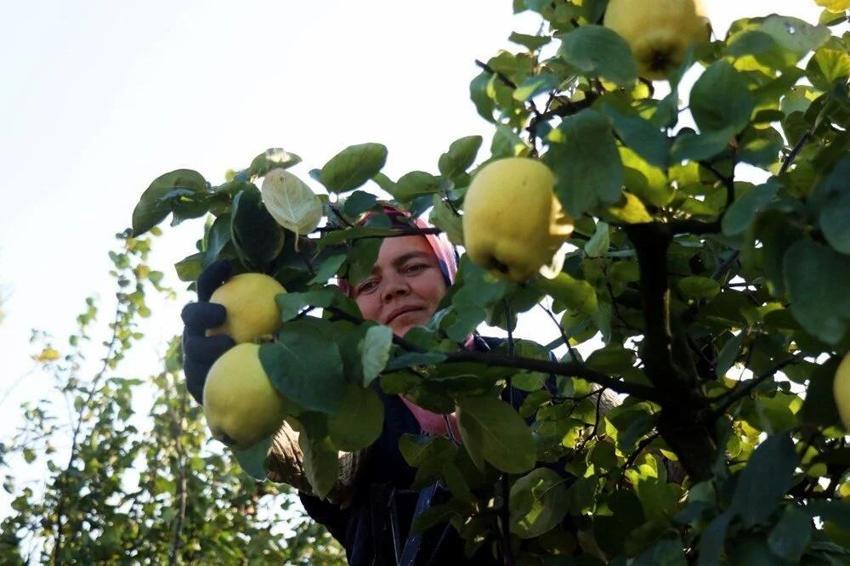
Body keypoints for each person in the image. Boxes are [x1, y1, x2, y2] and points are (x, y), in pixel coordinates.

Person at [180, 207, 600, 564]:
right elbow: (300, 448)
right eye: (368, 284)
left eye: (413, 267)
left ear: (450, 275)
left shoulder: (532, 371)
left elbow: (616, 443)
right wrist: (227, 385)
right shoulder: (350, 404)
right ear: (350, 309)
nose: (394, 289)